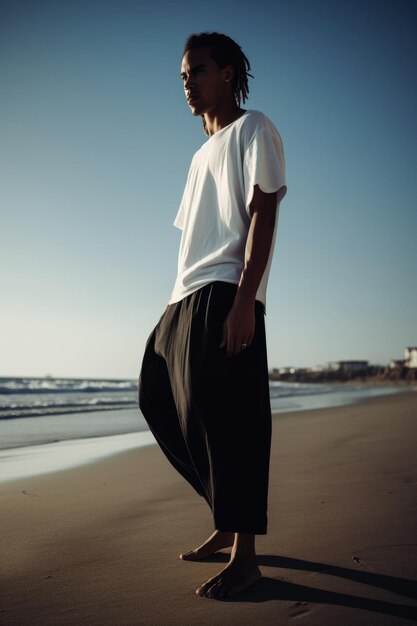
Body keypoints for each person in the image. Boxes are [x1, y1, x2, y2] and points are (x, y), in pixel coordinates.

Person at [138, 32, 287, 599]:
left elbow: (263, 212)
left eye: (197, 70)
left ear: (227, 73)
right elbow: (189, 243)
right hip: (184, 296)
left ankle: (246, 558)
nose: (188, 82)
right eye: (183, 74)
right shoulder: (200, 153)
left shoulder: (255, 128)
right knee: (157, 397)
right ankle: (225, 514)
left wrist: (247, 298)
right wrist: (169, 310)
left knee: (235, 421)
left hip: (227, 290)